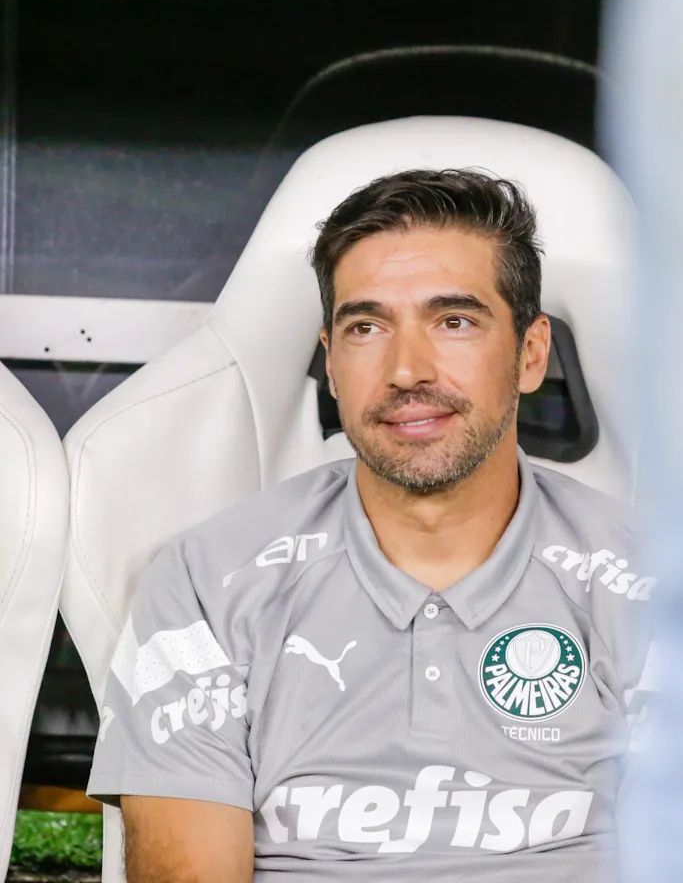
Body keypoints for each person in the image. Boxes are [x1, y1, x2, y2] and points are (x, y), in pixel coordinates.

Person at [87, 169, 653, 882]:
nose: (406, 370)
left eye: (454, 321)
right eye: (366, 327)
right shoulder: (207, 580)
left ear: (530, 354)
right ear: (331, 362)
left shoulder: (652, 586)